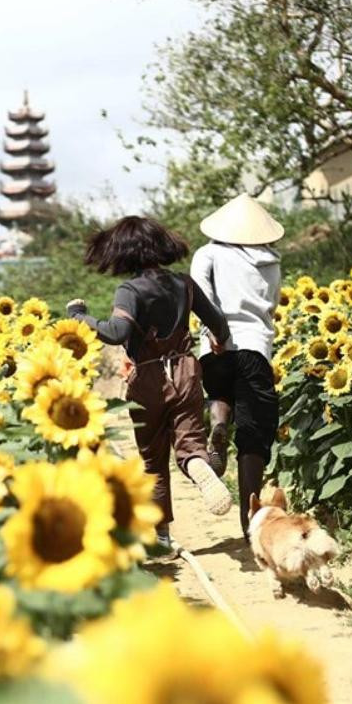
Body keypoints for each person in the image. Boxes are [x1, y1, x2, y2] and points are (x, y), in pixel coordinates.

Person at [67, 215, 234, 547]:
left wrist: (79, 316)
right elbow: (219, 323)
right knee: (189, 444)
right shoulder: (184, 283)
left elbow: (116, 334)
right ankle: (199, 465)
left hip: (149, 378)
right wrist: (217, 342)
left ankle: (162, 534)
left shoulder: (130, 290)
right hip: (186, 371)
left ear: (124, 253)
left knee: (153, 459)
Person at [190, 194, 283, 539]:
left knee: (218, 390)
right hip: (255, 348)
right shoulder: (271, 260)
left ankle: (218, 422)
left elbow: (199, 296)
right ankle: (249, 523)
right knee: (254, 436)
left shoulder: (208, 253)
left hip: (216, 348)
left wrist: (217, 332)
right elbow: (271, 305)